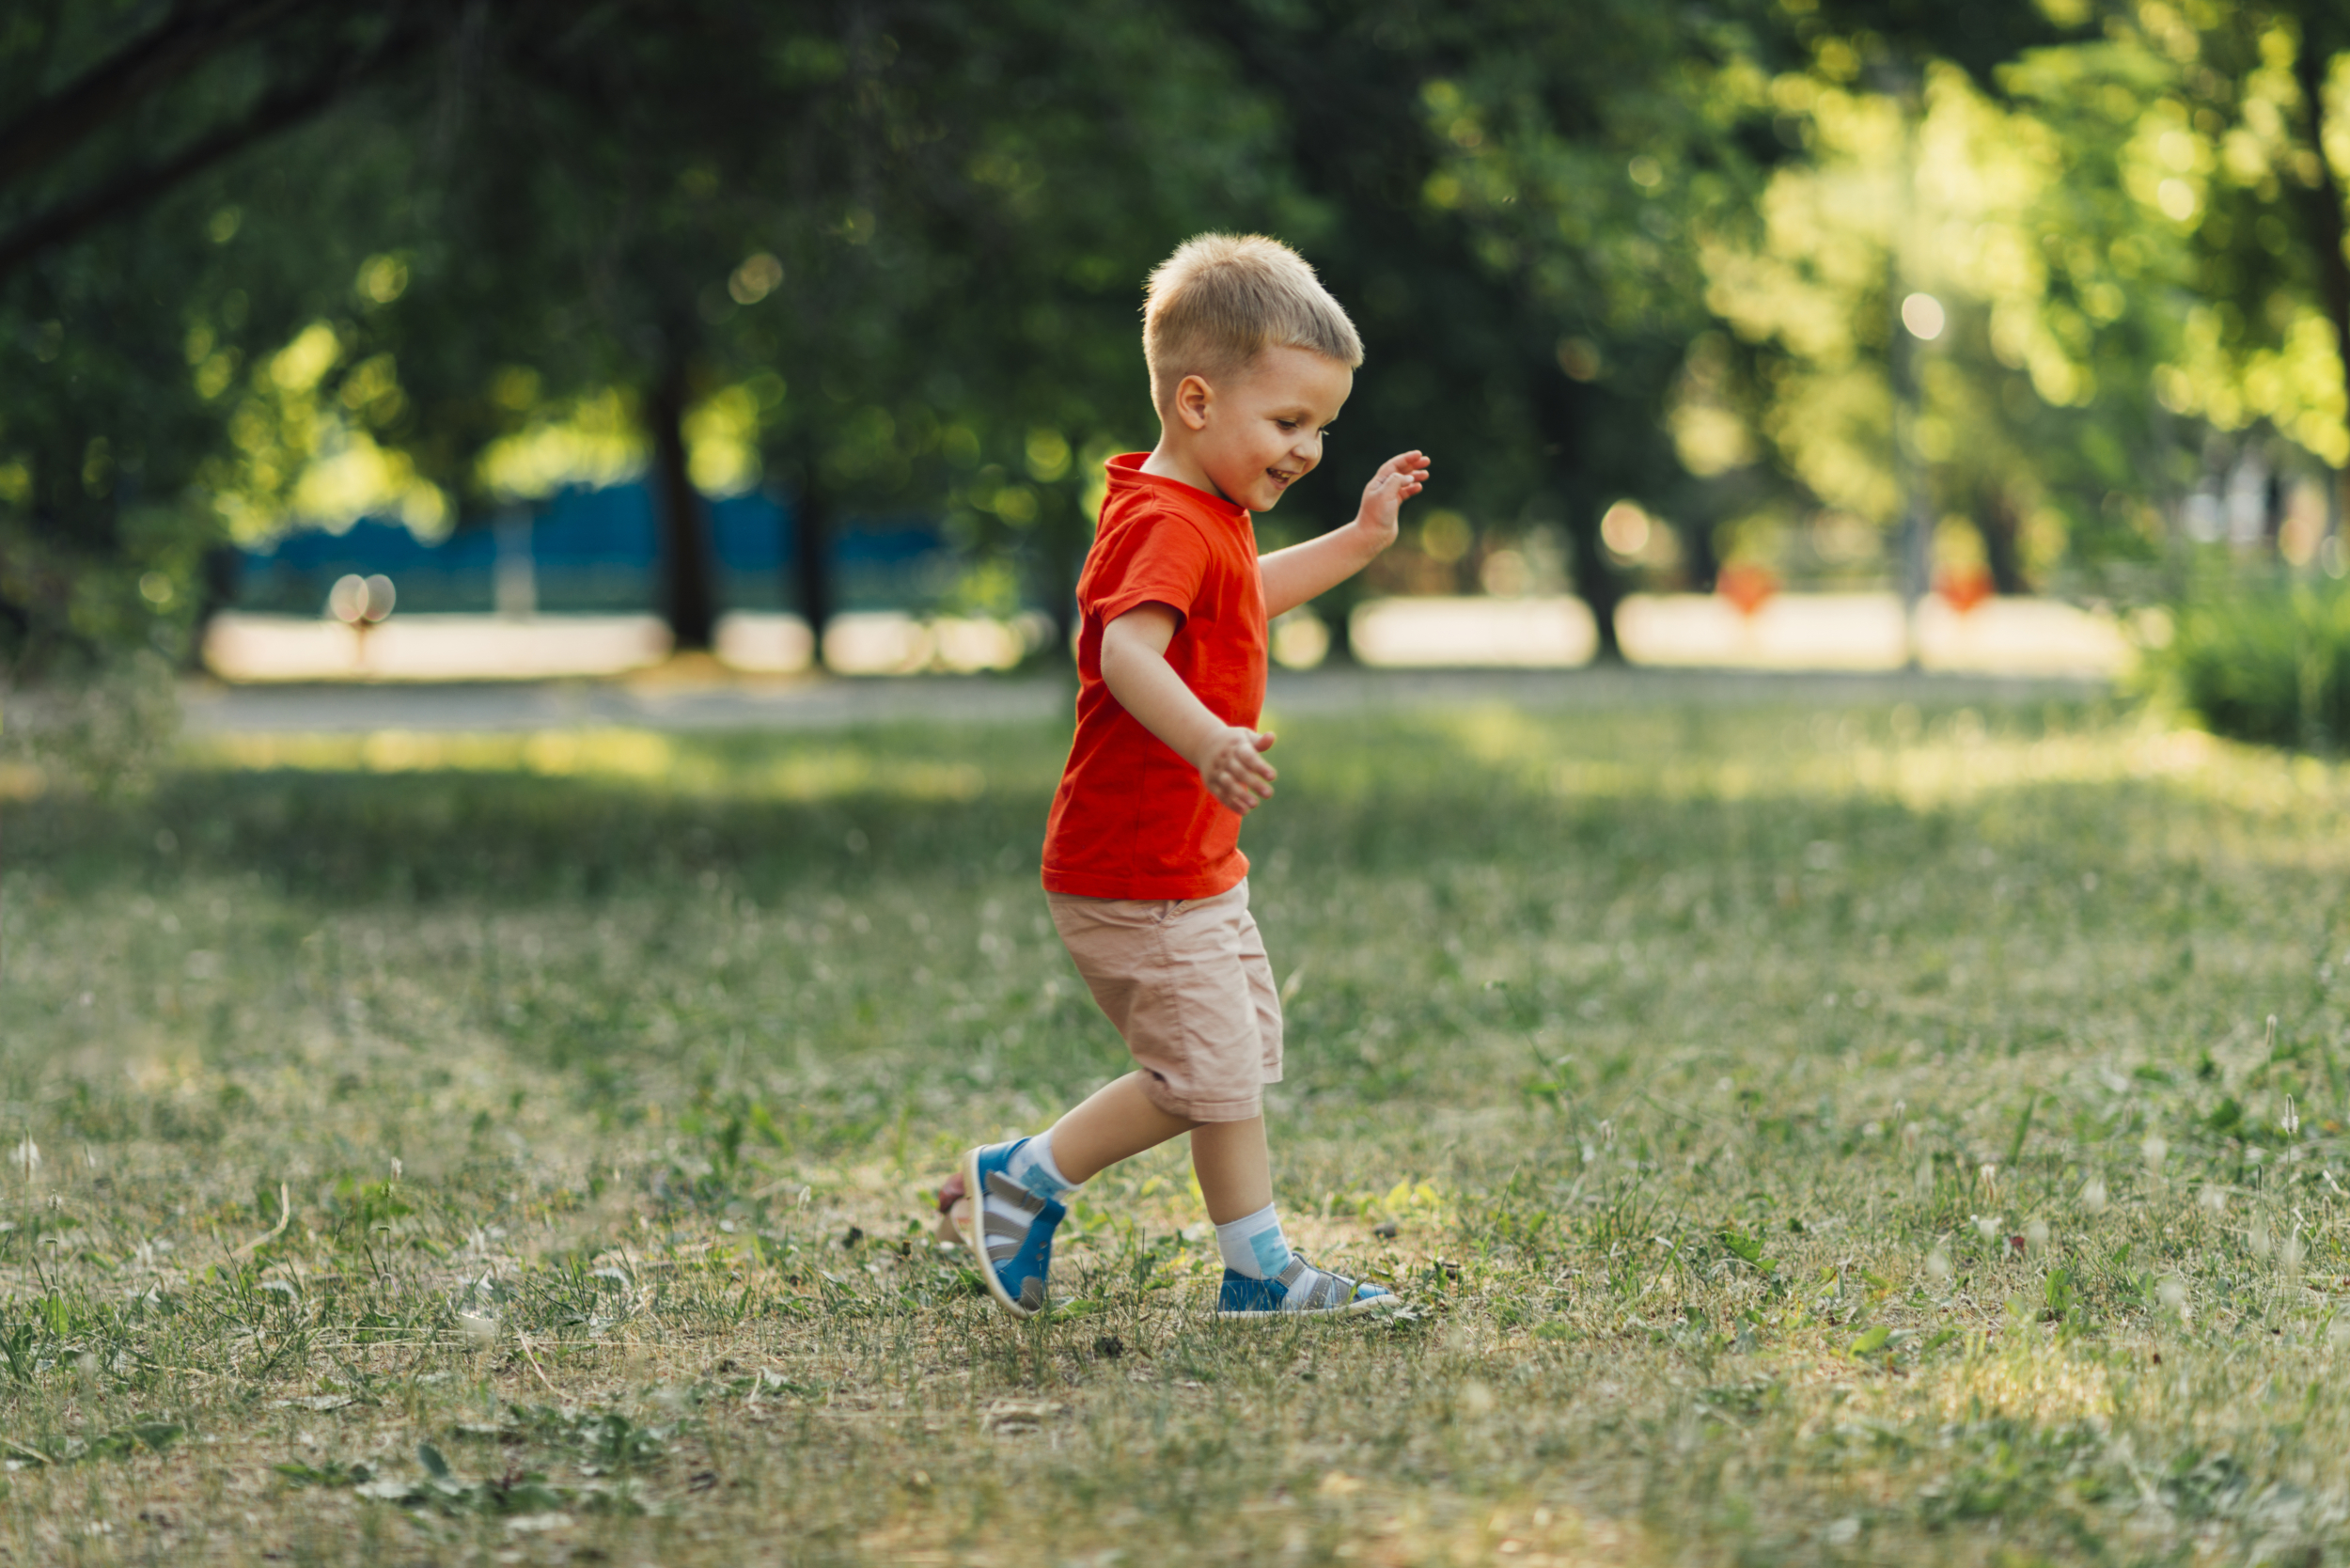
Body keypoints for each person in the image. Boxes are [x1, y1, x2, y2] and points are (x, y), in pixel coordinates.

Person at [958, 233, 1431, 1322]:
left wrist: (1358, 540)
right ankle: (1024, 1181)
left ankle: (1257, 1269)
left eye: (1321, 427)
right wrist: (1207, 738)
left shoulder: (1202, 513)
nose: (1307, 448)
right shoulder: (1164, 521)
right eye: (1289, 422)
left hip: (1189, 863)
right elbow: (1127, 655)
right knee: (1196, 1079)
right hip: (1134, 871)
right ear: (1197, 401)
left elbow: (1243, 596)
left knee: (1233, 1063)